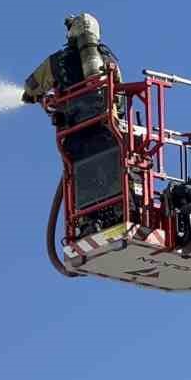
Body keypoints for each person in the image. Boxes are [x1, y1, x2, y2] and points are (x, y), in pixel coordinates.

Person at [23, 13, 127, 234]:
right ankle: (121, 212)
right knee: (113, 172)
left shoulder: (56, 62)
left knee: (82, 174)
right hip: (107, 131)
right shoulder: (109, 61)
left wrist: (31, 96)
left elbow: (31, 86)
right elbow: (120, 98)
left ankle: (89, 221)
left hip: (75, 134)